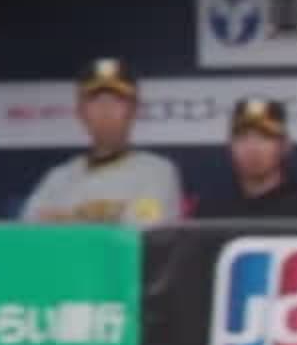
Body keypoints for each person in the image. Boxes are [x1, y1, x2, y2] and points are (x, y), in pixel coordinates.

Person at [19, 58, 185, 226]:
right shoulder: (57, 179)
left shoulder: (157, 172)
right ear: (80, 112)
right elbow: (31, 237)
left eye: (117, 100)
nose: (106, 109)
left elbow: (137, 236)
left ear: (134, 109)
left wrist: (65, 219)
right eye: (95, 100)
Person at [194, 98, 297, 218]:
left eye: (265, 137)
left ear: (285, 146)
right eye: (242, 137)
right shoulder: (212, 208)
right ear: (230, 146)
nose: (252, 148)